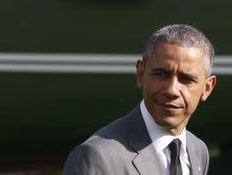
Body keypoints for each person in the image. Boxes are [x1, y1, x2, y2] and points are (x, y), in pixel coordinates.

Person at [63, 24, 217, 175]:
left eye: (186, 79)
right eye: (160, 74)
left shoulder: (198, 150)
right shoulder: (97, 156)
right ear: (141, 74)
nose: (172, 90)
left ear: (207, 88)